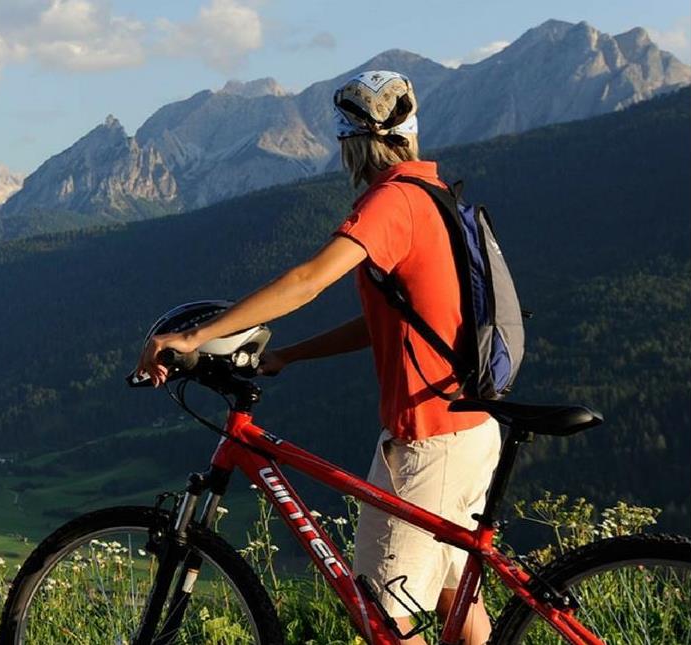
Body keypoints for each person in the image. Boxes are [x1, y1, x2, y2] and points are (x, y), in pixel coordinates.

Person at [135, 70, 497, 644]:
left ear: (350, 141)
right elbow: (394, 323)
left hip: (429, 437)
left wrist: (196, 336)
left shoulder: (393, 201)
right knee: (456, 600)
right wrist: (293, 355)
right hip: (468, 428)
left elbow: (308, 280)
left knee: (381, 616)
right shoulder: (433, 194)